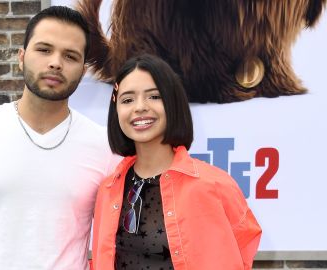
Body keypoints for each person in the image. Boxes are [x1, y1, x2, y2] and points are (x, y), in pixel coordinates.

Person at [0, 6, 120, 270]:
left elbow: (118, 241)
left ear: (83, 71)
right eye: (44, 49)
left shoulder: (105, 147)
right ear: (21, 57)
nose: (55, 62)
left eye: (70, 56)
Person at [91, 54, 262, 270]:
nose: (140, 107)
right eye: (127, 100)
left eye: (154, 96)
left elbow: (244, 244)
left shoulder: (215, 185)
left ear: (173, 103)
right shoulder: (108, 189)